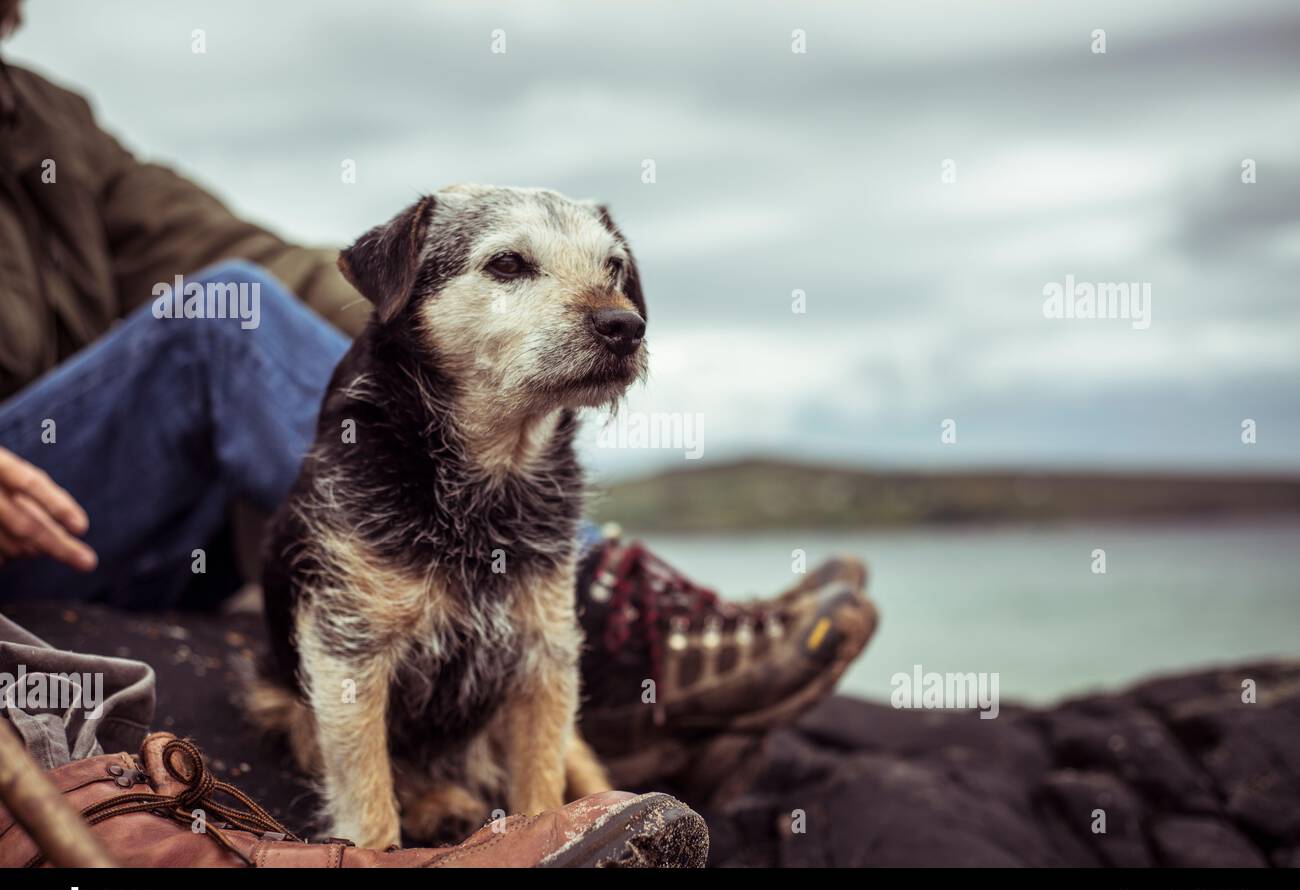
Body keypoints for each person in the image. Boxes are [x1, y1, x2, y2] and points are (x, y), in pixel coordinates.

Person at [0, 3, 876, 789]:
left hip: (93, 515)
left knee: (242, 299)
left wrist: (427, 294)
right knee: (214, 324)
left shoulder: (42, 117)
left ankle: (581, 673)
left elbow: (254, 261)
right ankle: (625, 627)